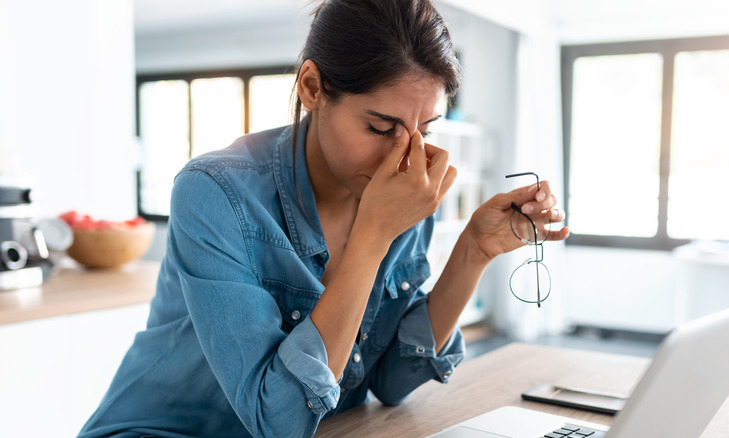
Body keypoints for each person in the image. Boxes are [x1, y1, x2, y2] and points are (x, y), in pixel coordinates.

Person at [78, 0, 569, 437]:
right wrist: (373, 236)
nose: (406, 156)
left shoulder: (400, 190)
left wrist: (473, 251)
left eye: (426, 128)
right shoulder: (215, 192)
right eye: (381, 127)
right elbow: (280, 421)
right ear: (312, 87)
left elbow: (392, 382)